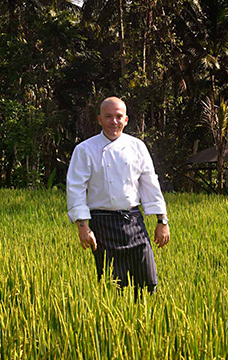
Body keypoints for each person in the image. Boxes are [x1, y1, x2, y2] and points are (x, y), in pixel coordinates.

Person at [66, 96, 170, 294]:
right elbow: (76, 187)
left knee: (148, 282)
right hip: (102, 223)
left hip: (133, 220)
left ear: (126, 120)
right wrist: (83, 226)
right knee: (112, 286)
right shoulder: (85, 150)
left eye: (118, 116)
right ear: (99, 120)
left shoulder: (137, 146)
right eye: (108, 116)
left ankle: (144, 320)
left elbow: (150, 184)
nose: (114, 121)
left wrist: (162, 221)